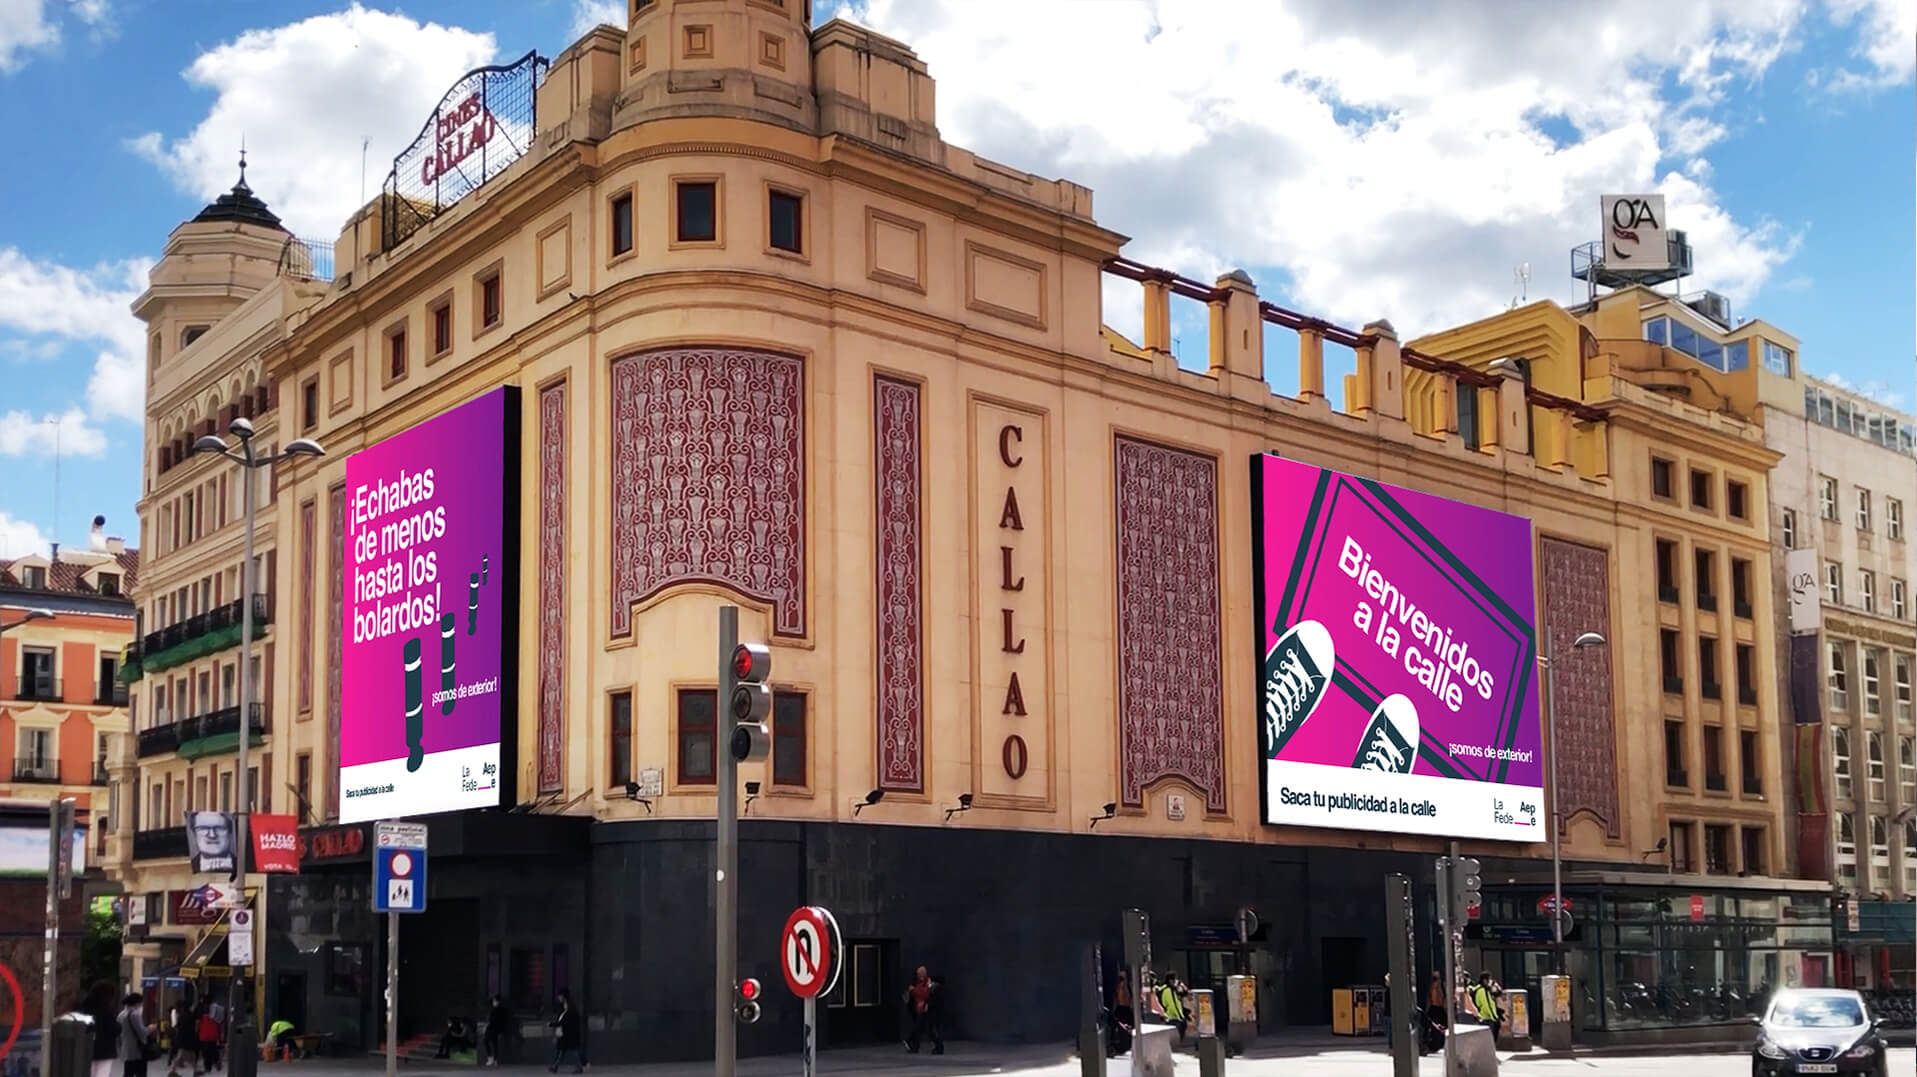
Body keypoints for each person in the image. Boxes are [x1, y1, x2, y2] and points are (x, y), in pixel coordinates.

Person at [903, 966, 943, 1055]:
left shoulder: (928, 983)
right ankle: (914, 1046)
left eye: (920, 973)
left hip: (926, 1009)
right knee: (919, 1029)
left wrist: (913, 990)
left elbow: (924, 994)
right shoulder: (917, 982)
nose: (918, 975)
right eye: (918, 974)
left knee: (928, 1029)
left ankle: (938, 1047)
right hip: (920, 1009)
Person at [86, 981, 121, 1077]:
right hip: (105, 1049)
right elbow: (114, 1028)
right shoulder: (105, 1010)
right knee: (102, 1073)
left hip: (88, 1047)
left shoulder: (85, 1006)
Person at [547, 989, 584, 1073]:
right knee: (563, 1051)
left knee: (572, 1051)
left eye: (560, 996)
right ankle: (555, 1066)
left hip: (569, 1034)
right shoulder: (564, 1008)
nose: (558, 998)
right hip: (566, 1034)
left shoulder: (570, 1009)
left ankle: (579, 1067)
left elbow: (564, 1022)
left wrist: (552, 1024)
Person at [119, 994, 156, 1077]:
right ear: (137, 1003)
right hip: (138, 1050)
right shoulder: (135, 1014)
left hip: (127, 1050)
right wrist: (150, 1028)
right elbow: (142, 1032)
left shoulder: (121, 1014)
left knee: (128, 1073)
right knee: (141, 1073)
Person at [1469, 972, 1503, 1040]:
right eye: (1488, 979)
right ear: (1484, 980)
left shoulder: (1488, 989)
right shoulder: (1481, 990)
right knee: (1488, 1038)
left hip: (1491, 1017)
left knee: (1491, 1037)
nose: (1489, 981)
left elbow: (1499, 993)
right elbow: (1482, 1004)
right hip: (1485, 1017)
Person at [484, 995, 511, 1066]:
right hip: (495, 1028)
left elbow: (493, 1020)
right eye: (493, 1001)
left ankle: (492, 1058)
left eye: (495, 1001)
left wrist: (487, 1026)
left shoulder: (497, 1010)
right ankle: (494, 1059)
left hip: (493, 1028)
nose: (494, 1002)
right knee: (492, 1043)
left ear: (498, 1002)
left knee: (489, 1042)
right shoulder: (496, 1009)